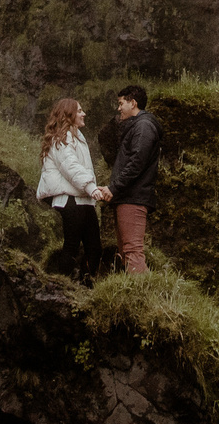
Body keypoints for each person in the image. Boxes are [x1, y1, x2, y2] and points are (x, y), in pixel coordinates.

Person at [92, 84, 161, 274]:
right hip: (127, 197)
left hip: (133, 197)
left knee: (132, 252)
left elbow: (137, 162)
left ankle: (149, 298)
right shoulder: (137, 126)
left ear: (133, 103)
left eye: (121, 103)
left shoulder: (144, 126)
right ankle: (138, 295)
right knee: (126, 251)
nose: (118, 108)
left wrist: (113, 188)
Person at [35, 96, 104, 280]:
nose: (84, 114)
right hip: (70, 200)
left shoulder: (77, 137)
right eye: (80, 111)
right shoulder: (62, 138)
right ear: (70, 114)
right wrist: (92, 188)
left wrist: (93, 189)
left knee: (94, 247)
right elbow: (71, 168)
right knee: (72, 245)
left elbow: (79, 168)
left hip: (82, 199)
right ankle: (61, 284)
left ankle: (87, 285)